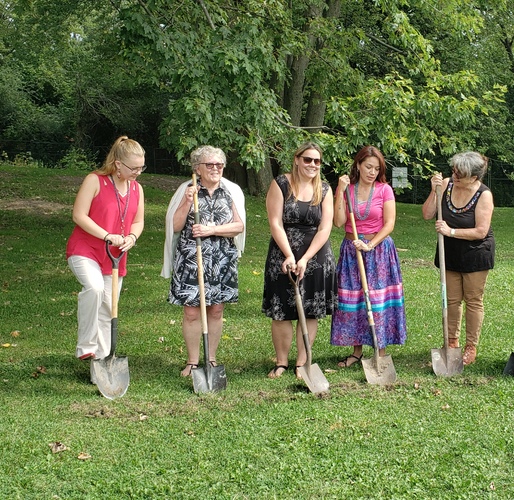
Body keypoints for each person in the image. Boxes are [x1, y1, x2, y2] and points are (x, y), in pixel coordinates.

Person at [162, 146, 246, 377]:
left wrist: (212, 230)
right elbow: (175, 226)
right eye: (210, 165)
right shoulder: (186, 190)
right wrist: (187, 203)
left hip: (221, 258)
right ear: (197, 168)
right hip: (191, 258)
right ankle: (192, 361)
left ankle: (211, 358)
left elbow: (239, 227)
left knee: (216, 310)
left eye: (219, 165)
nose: (216, 169)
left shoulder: (231, 192)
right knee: (191, 311)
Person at [66, 136, 145, 370]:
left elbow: (138, 221)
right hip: (86, 248)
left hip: (115, 255)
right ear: (118, 164)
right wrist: (106, 235)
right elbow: (79, 215)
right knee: (95, 288)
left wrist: (132, 237)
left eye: (142, 167)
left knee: (109, 307)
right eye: (134, 168)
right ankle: (86, 345)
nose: (138, 172)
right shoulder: (95, 180)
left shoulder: (137, 189)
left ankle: (101, 361)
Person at [262, 142, 335, 378]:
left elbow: (325, 228)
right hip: (282, 254)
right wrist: (290, 256)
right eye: (307, 159)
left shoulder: (324, 189)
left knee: (311, 310)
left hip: (315, 256)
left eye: (317, 161)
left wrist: (305, 259)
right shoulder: (281, 184)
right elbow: (275, 222)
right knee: (281, 309)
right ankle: (281, 361)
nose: (312, 165)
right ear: (296, 159)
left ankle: (302, 363)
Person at [330, 146, 407, 367]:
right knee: (354, 299)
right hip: (351, 249)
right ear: (358, 165)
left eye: (377, 168)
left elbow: (389, 224)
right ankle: (356, 352)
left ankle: (380, 350)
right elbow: (338, 221)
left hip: (379, 250)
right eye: (368, 167)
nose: (372, 172)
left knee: (378, 299)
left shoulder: (385, 190)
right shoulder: (348, 190)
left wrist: (370, 245)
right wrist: (339, 191)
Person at [421, 151, 495, 365]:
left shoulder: (484, 195)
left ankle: (471, 346)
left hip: (476, 252)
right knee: (451, 300)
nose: (455, 175)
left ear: (474, 177)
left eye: (460, 174)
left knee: (473, 300)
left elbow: (481, 231)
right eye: (454, 170)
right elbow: (427, 214)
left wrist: (450, 231)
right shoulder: (446, 184)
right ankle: (452, 342)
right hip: (450, 252)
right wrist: (434, 192)